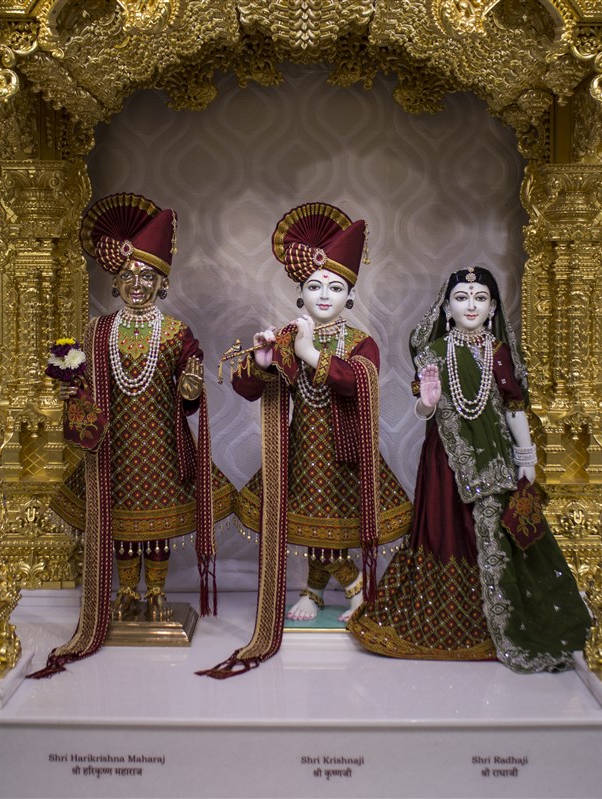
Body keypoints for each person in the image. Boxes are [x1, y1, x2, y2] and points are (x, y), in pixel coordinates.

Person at [199, 202, 412, 678]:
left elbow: (359, 383)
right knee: (312, 522)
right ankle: (321, 590)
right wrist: (264, 362)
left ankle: (353, 588)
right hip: (301, 450)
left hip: (347, 451)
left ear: (350, 295)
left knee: (333, 522)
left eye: (335, 287)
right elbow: (247, 389)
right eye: (314, 286)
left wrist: (311, 353)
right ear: (300, 292)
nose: (324, 295)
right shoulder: (290, 334)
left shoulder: (360, 342)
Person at [348, 265, 591, 673]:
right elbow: (424, 410)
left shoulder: (499, 352)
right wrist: (427, 401)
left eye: (480, 298)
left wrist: (526, 458)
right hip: (445, 460)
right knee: (446, 528)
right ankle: (450, 621)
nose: (471, 305)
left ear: (493, 307)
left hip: (495, 461)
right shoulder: (433, 352)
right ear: (447, 308)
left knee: (499, 536)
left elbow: (514, 407)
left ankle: (499, 624)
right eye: (461, 298)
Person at [31, 192, 234, 677]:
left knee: (156, 527)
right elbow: (83, 385)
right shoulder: (98, 330)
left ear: (162, 283)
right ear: (116, 281)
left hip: (161, 445)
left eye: (146, 277)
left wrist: (190, 385)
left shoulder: (176, 332)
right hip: (114, 448)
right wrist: (72, 390)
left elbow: (189, 390)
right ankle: (124, 592)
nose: (136, 285)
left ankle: (158, 592)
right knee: (122, 524)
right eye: (127, 276)